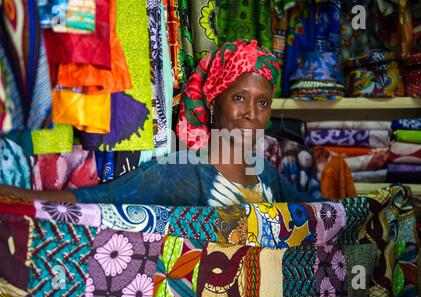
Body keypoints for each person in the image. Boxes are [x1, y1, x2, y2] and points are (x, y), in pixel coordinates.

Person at [0, 40, 322, 206]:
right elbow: (96, 202)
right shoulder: (179, 171)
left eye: (262, 102)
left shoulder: (264, 172)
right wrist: (14, 197)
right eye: (239, 98)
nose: (252, 112)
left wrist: (369, 205)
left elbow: (316, 215)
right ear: (212, 101)